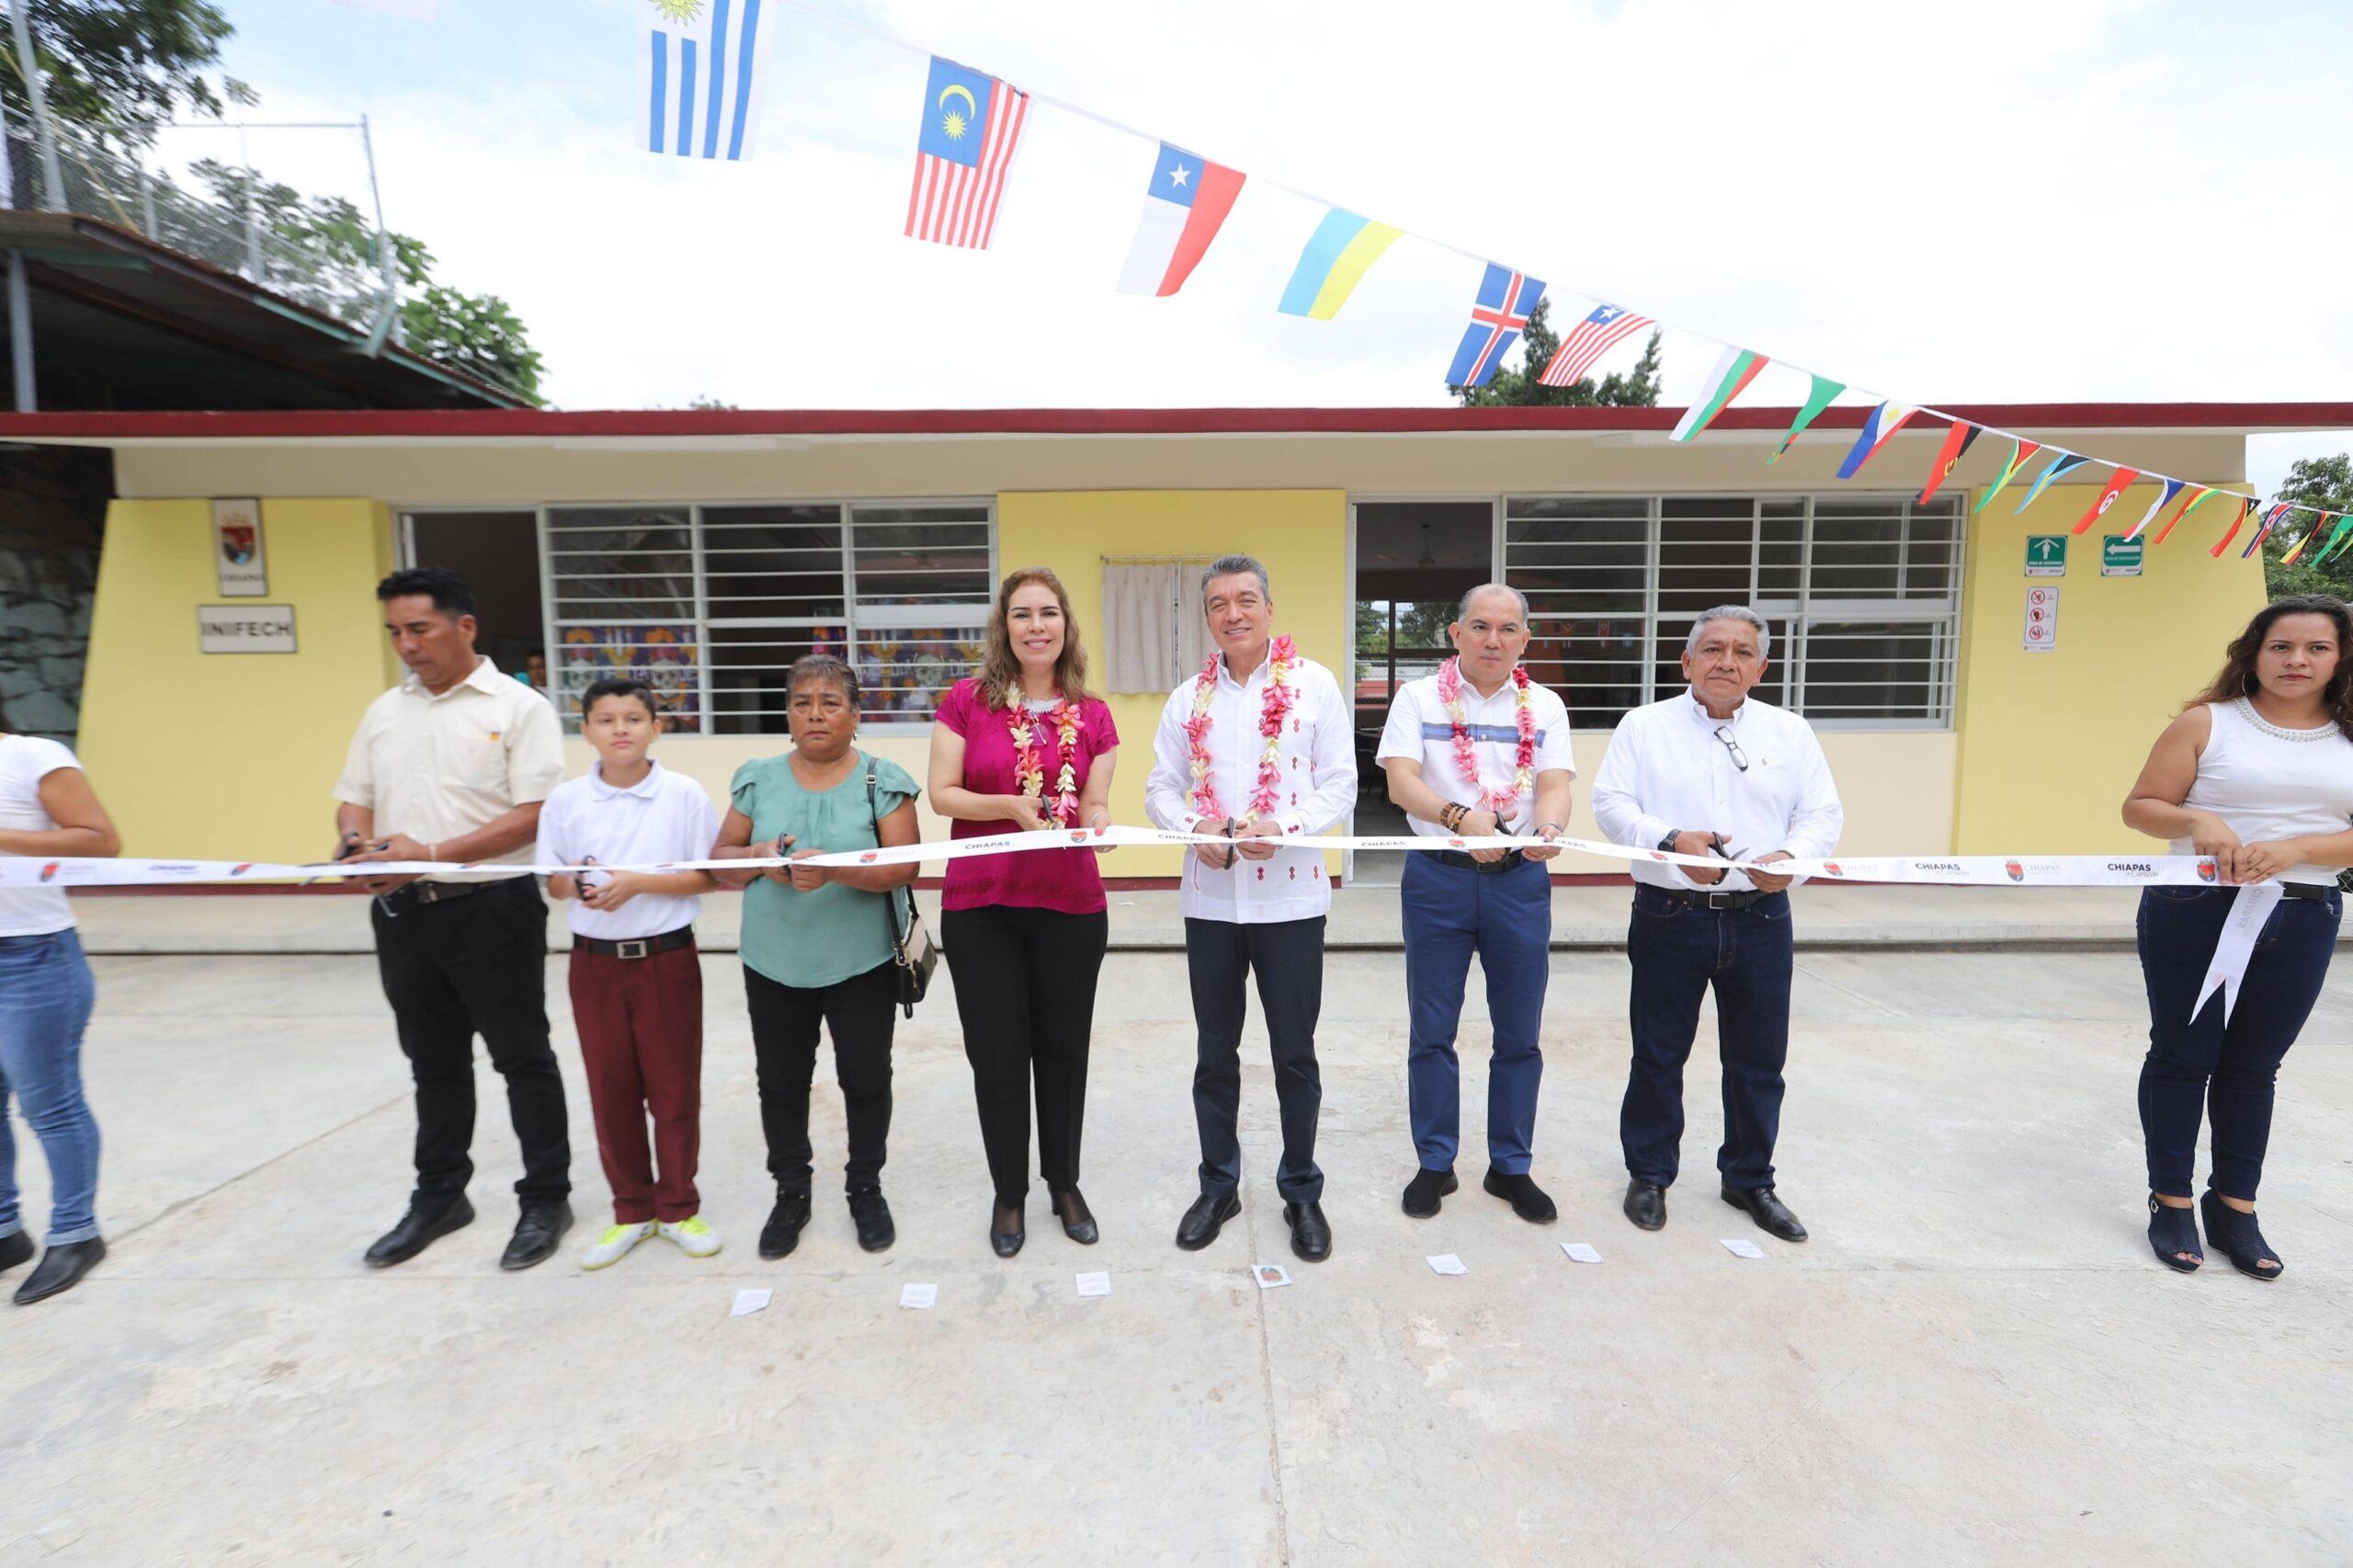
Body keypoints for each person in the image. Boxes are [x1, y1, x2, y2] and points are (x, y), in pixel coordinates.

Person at [335, 566, 573, 1272]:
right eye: (394, 633)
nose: (406, 645)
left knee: (522, 1059)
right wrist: (356, 843)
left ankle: (545, 1198)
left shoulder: (517, 707)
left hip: (491, 912)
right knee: (432, 1065)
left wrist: (431, 853)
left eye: (419, 629)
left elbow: (535, 815)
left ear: (463, 627)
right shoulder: (385, 711)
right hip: (403, 913)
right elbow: (355, 796)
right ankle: (440, 1195)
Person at [2120, 593, 2353, 1280]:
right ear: (2253, 652)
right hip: (2193, 907)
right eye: (2281, 646)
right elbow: (2141, 807)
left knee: (2255, 1067)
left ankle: (2235, 1207)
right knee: (2183, 1054)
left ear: (2340, 659)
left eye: (2317, 648)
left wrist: (2299, 847)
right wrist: (2200, 822)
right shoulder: (2207, 723)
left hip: (2304, 912)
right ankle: (2171, 1201)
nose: (2297, 660)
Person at [1591, 606, 1843, 1244]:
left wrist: (1791, 860)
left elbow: (1821, 814)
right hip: (1669, 915)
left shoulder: (1790, 733)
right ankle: (1649, 1174)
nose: (1724, 661)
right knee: (1658, 1056)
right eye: (1711, 649)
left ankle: (1749, 1179)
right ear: (1686, 661)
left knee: (1758, 1061)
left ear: (1762, 666)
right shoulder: (1644, 727)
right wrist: (1671, 842)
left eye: (1740, 651)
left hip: (1761, 918)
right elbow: (1612, 805)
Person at [1145, 554, 1355, 1261]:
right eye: (1217, 604)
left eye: (1245, 600)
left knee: (1295, 1055)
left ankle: (1301, 1191)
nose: (1232, 613)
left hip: (1291, 900)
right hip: (1210, 903)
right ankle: (1219, 1185)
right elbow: (1160, 790)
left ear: (1269, 608)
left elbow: (1340, 785)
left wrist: (1285, 828)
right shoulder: (1187, 699)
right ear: (1207, 617)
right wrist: (1193, 827)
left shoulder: (1314, 686)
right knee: (1215, 1053)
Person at [926, 567, 1118, 1257]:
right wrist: (1008, 807)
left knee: (1064, 1052)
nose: (1036, 625)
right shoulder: (965, 702)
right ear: (1003, 627)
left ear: (1065, 625)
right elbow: (942, 795)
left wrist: (1097, 817)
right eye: (1021, 614)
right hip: (982, 908)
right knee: (998, 1057)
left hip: (1070, 905)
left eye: (1048, 613)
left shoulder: (1093, 714)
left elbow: (1094, 798)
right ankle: (1010, 1192)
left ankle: (1063, 1183)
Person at [1376, 585, 1575, 1224]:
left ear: (1525, 640)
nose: (1494, 640)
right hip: (1439, 879)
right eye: (1480, 626)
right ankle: (1436, 1161)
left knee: (1519, 1030)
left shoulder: (1543, 705)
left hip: (1520, 883)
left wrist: (1547, 830)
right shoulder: (1417, 697)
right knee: (1432, 1029)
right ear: (1456, 634)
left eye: (1508, 629)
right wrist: (1463, 820)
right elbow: (1402, 781)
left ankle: (1509, 1166)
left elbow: (1551, 787)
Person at [711, 655, 921, 1260]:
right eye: (802, 702)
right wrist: (759, 856)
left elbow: (905, 866)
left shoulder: (883, 779)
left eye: (830, 702)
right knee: (780, 1082)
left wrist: (834, 870)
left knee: (864, 1077)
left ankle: (865, 1186)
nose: (815, 713)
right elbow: (720, 857)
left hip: (861, 964)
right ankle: (791, 1191)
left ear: (856, 715)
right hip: (773, 962)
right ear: (788, 714)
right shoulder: (757, 778)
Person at [539, 677, 722, 1271]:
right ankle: (631, 1210)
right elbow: (554, 880)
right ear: (586, 729)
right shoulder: (566, 802)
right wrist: (583, 880)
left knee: (672, 1090)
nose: (621, 729)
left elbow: (704, 877)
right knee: (609, 1089)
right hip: (594, 964)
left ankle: (678, 1206)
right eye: (606, 719)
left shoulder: (684, 794)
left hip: (666, 959)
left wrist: (638, 881)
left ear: (656, 727)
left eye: (634, 718)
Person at [0, 702, 121, 1305]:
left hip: (30, 959)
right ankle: (4, 1232)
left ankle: (76, 1232)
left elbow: (100, 841)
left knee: (49, 1106)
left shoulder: (31, 755)